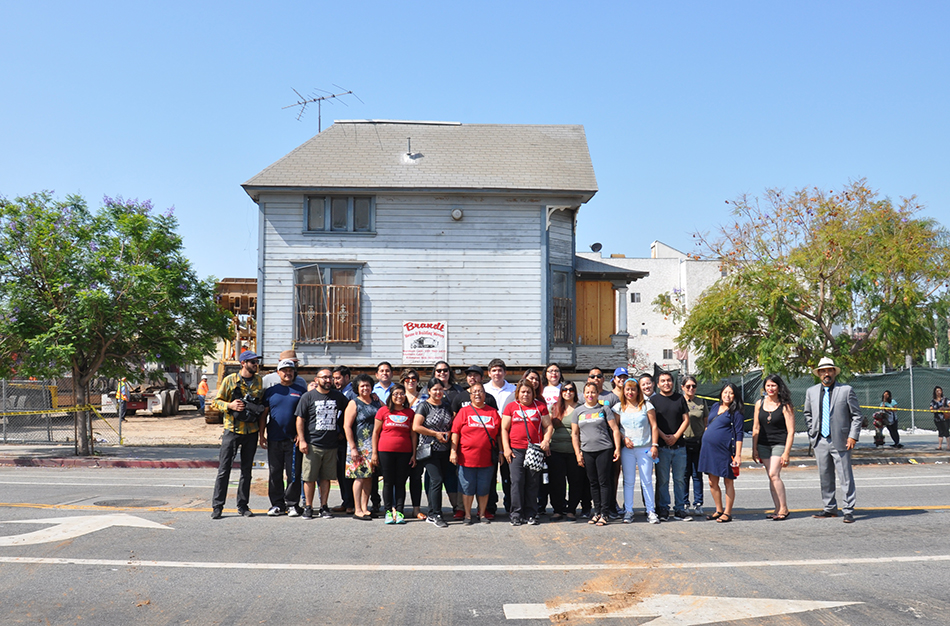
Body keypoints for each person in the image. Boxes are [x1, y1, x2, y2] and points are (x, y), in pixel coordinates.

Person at [803, 357, 863, 524]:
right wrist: (812, 434)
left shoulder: (846, 390)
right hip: (820, 440)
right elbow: (807, 414)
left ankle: (848, 510)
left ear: (834, 372)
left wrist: (852, 436)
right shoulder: (811, 392)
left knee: (845, 476)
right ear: (819, 374)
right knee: (825, 476)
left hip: (841, 439)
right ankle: (829, 508)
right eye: (823, 371)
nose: (826, 373)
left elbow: (857, 415)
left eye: (829, 370)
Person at [211, 350, 264, 519]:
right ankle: (218, 506)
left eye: (256, 361)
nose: (256, 364)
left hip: (251, 431)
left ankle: (243, 505)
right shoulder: (230, 380)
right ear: (243, 363)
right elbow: (216, 401)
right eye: (252, 361)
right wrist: (231, 406)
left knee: (246, 471)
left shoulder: (258, 381)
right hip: (232, 430)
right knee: (224, 470)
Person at [295, 368, 349, 520]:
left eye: (330, 377)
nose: (327, 380)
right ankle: (308, 507)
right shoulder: (308, 397)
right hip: (312, 444)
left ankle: (324, 506)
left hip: (331, 445)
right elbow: (300, 419)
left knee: (326, 478)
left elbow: (350, 410)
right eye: (324, 377)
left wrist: (343, 432)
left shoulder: (338, 397)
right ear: (316, 379)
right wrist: (302, 439)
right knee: (309, 478)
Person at [501, 380, 553, 526]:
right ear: (518, 393)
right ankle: (516, 513)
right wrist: (506, 448)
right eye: (523, 392)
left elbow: (548, 426)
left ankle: (531, 513)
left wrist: (546, 440)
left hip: (534, 450)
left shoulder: (540, 407)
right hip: (516, 450)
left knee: (532, 482)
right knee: (517, 482)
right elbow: (504, 429)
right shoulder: (511, 407)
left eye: (528, 392)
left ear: (533, 393)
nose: (525, 394)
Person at [260, 358, 307, 517]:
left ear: (294, 372)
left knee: (293, 473)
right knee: (275, 473)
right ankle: (277, 504)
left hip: (293, 440)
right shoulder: (271, 391)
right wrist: (262, 435)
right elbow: (264, 415)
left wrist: (302, 436)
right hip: (274, 438)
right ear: (278, 373)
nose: (288, 373)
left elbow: (304, 416)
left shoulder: (300, 391)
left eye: (290, 370)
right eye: (284, 370)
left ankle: (292, 504)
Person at [450, 382, 502, 525]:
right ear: (470, 396)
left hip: (487, 459)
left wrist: (502, 451)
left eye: (480, 391)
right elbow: (455, 432)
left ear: (485, 395)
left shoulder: (492, 412)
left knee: (484, 488)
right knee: (467, 488)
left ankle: (483, 514)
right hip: (466, 458)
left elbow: (499, 434)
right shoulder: (464, 411)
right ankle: (467, 515)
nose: (478, 394)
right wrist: (453, 451)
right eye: (474, 392)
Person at [571, 382, 622, 526]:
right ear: (583, 394)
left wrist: (617, 448)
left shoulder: (604, 409)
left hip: (604, 449)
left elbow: (615, 429)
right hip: (587, 451)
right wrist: (577, 453)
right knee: (593, 483)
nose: (590, 395)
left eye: (593, 392)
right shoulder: (578, 411)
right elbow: (575, 434)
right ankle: (597, 512)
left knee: (604, 482)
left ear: (597, 393)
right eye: (587, 392)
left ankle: (605, 514)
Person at [613, 379, 660, 524]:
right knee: (628, 481)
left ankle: (651, 511)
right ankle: (628, 511)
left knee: (647, 480)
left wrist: (654, 445)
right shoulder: (619, 407)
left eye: (633, 389)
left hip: (645, 448)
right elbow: (615, 428)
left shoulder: (647, 406)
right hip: (628, 450)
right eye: (627, 389)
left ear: (638, 391)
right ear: (623, 391)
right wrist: (623, 438)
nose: (630, 392)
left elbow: (654, 426)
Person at [751, 374, 796, 521]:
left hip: (779, 443)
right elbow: (756, 428)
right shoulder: (759, 403)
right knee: (771, 477)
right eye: (768, 385)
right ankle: (777, 509)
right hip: (763, 444)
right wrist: (754, 449)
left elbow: (791, 431)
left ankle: (784, 508)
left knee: (773, 474)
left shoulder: (785, 406)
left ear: (778, 387)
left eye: (773, 385)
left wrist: (787, 453)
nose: (770, 388)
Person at [698, 383, 744, 523]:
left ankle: (727, 512)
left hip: (725, 450)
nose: (727, 395)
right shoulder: (715, 407)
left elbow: (739, 434)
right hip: (709, 450)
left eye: (730, 393)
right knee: (712, 482)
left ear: (735, 395)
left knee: (728, 481)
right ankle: (719, 510)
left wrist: (738, 455)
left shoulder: (736, 412)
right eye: (725, 392)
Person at [371, 384, 416, 525]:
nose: (399, 396)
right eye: (396, 393)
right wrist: (374, 453)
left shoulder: (410, 413)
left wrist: (414, 454)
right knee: (388, 482)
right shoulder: (383, 411)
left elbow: (413, 435)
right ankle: (389, 512)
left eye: (402, 394)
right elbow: (375, 433)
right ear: (391, 396)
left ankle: (400, 511)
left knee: (401, 483)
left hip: (405, 452)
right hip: (385, 451)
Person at [414, 378, 455, 528]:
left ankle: (432, 512)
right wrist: (435, 434)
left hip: (444, 449)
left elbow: (452, 423)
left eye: (440, 389)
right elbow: (416, 426)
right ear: (429, 391)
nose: (438, 392)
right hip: (428, 449)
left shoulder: (446, 406)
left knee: (436, 481)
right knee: (436, 479)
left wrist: (449, 433)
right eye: (435, 389)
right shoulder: (424, 406)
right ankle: (436, 514)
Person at [651, 371, 690, 521]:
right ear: (658, 384)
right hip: (662, 448)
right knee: (663, 480)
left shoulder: (680, 399)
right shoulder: (654, 401)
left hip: (679, 447)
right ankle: (664, 508)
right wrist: (664, 437)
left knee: (680, 480)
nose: (666, 383)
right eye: (663, 381)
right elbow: (652, 423)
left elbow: (686, 420)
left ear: (673, 382)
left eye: (669, 380)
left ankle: (680, 509)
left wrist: (675, 436)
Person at [343, 374, 382, 520]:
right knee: (359, 477)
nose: (365, 388)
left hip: (373, 447)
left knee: (369, 478)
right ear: (357, 388)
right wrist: (353, 447)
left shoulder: (376, 401)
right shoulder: (354, 403)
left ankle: (365, 508)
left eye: (367, 385)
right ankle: (357, 509)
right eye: (362, 386)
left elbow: (386, 411)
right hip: (358, 447)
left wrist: (378, 398)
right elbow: (347, 426)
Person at [547, 381, 584, 521]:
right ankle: (558, 509)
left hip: (574, 451)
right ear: (561, 392)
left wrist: (580, 452)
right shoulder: (555, 408)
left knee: (575, 481)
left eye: (571, 389)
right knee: (557, 482)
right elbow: (548, 428)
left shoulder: (580, 408)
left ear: (575, 392)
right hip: (555, 450)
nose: (568, 392)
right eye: (565, 390)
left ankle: (571, 510)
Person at [401, 369, 428, 520]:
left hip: (420, 441)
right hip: (402, 440)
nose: (410, 381)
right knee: (400, 478)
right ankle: (397, 507)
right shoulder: (398, 396)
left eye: (413, 379)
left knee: (416, 477)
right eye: (407, 379)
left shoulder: (424, 397)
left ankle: (416, 508)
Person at [681, 376, 707, 517]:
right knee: (684, 474)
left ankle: (698, 503)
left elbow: (705, 422)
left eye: (693, 386)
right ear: (682, 387)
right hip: (684, 441)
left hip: (698, 442)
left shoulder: (701, 402)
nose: (691, 389)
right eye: (688, 386)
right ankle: (685, 503)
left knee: (697, 474)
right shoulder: (679, 401)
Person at [331, 365, 355, 514]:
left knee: (349, 473)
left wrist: (344, 432)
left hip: (349, 439)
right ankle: (346, 501)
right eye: (334, 378)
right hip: (337, 439)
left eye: (338, 378)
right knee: (340, 473)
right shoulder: (337, 392)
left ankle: (352, 503)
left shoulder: (352, 393)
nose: (335, 381)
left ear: (347, 377)